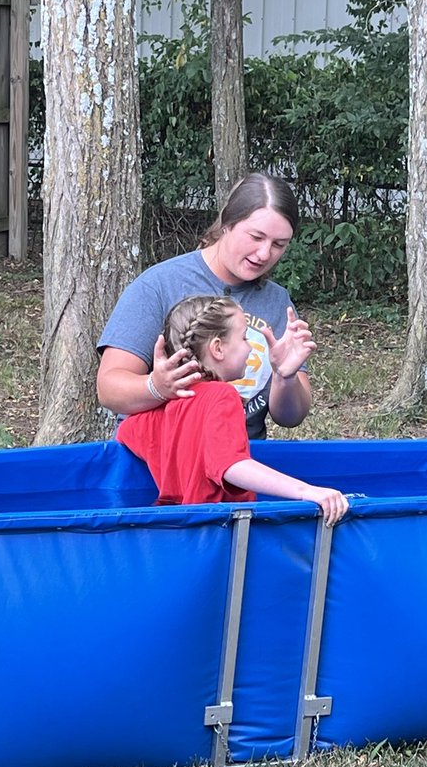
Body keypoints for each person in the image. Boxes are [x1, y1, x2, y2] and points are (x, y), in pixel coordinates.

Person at [97, 172, 315, 440]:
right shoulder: (159, 285)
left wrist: (285, 377)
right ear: (227, 223)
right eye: (256, 237)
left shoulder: (277, 301)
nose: (264, 254)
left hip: (239, 456)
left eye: (278, 244)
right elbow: (108, 388)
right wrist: (156, 387)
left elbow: (290, 418)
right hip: (160, 453)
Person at [116, 295, 348, 526]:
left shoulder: (170, 404)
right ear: (218, 348)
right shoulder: (222, 395)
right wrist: (305, 491)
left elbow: (126, 433)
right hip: (220, 529)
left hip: (176, 528)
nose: (250, 347)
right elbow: (230, 465)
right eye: (244, 337)